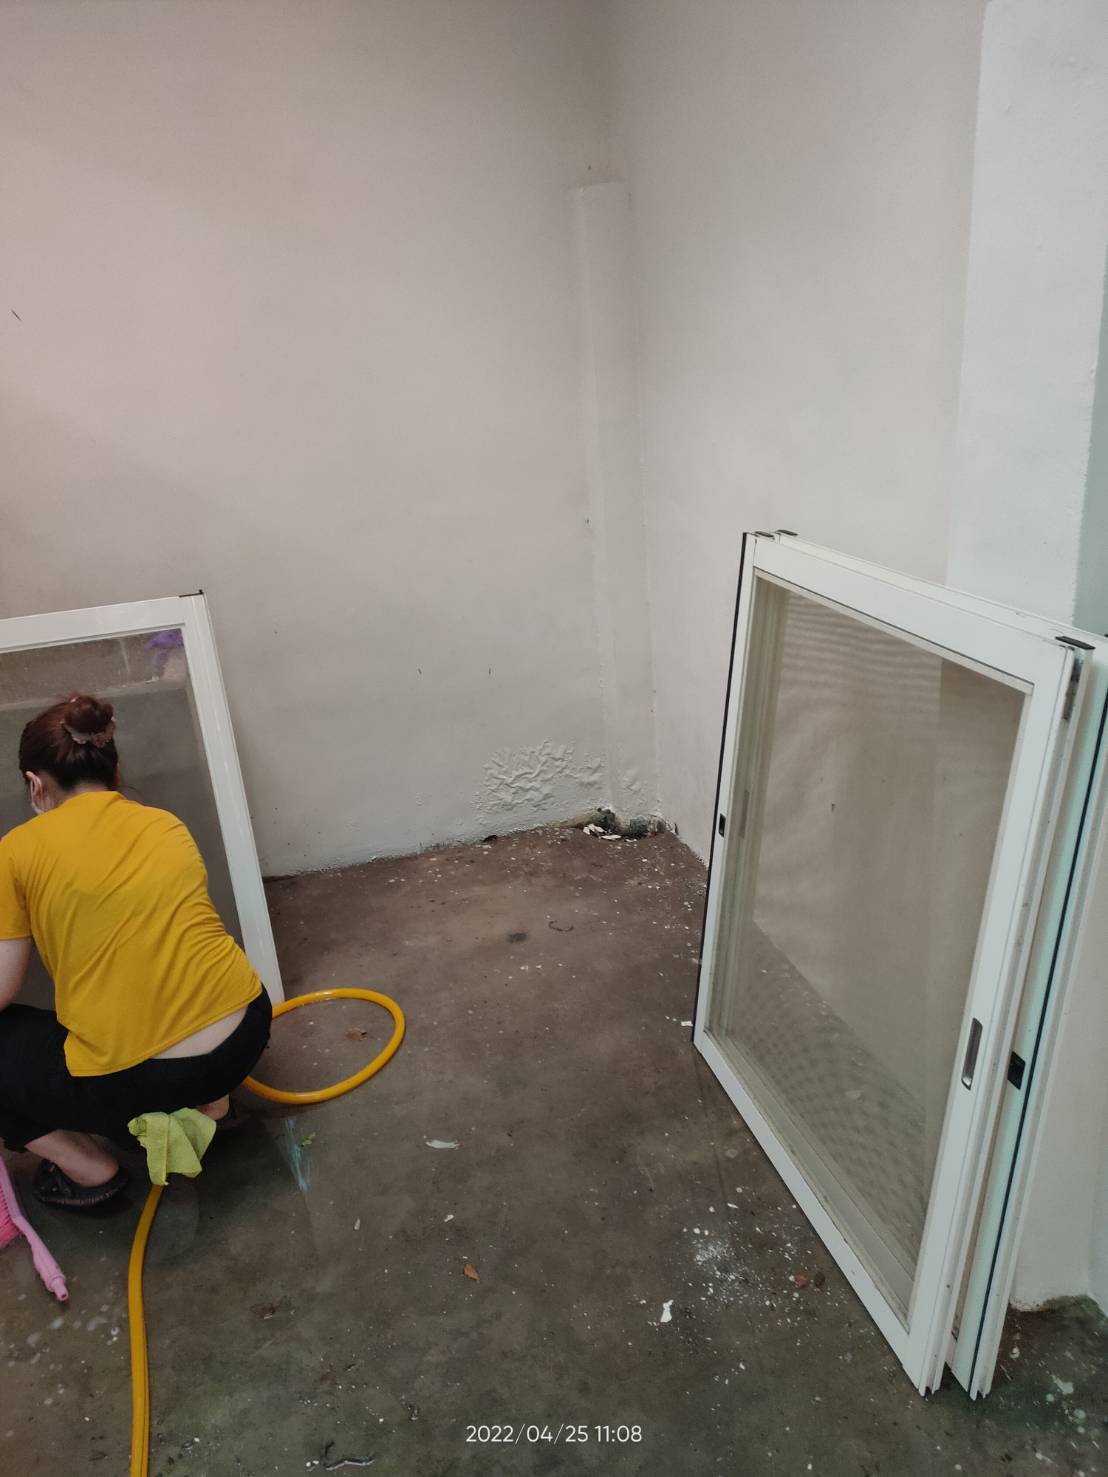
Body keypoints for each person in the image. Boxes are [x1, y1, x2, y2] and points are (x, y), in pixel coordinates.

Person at [0, 692, 271, 1206]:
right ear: (115, 768)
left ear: (35, 785)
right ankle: (212, 1106)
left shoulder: (17, 850)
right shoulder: (166, 823)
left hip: (141, 1078)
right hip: (246, 1031)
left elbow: (2, 986)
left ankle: (90, 1170)